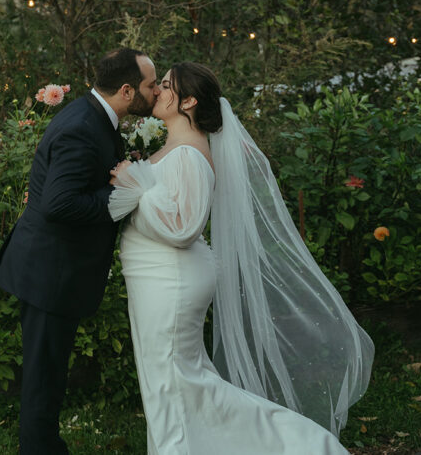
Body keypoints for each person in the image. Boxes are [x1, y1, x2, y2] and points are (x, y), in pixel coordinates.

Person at [108, 62, 374, 454]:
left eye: (166, 86)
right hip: (155, 279)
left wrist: (134, 187)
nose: (158, 92)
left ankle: (305, 445)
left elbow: (184, 227)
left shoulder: (191, 155)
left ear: (190, 100)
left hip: (172, 280)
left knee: (175, 380)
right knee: (170, 381)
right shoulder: (171, 148)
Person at [0, 47, 159, 454]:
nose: (155, 92)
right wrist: (121, 197)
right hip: (50, 271)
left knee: (47, 373)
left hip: (55, 267)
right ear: (126, 90)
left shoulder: (97, 117)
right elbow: (59, 203)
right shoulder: (82, 126)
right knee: (44, 377)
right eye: (150, 85)